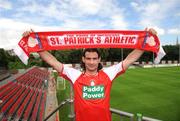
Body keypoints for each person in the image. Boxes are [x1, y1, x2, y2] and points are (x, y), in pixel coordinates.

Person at [23, 28, 157, 121]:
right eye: (88, 58)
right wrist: (35, 44)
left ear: (99, 60)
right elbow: (53, 61)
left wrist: (144, 41)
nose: (91, 62)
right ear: (83, 59)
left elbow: (129, 59)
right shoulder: (75, 75)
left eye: (94, 58)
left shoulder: (108, 74)